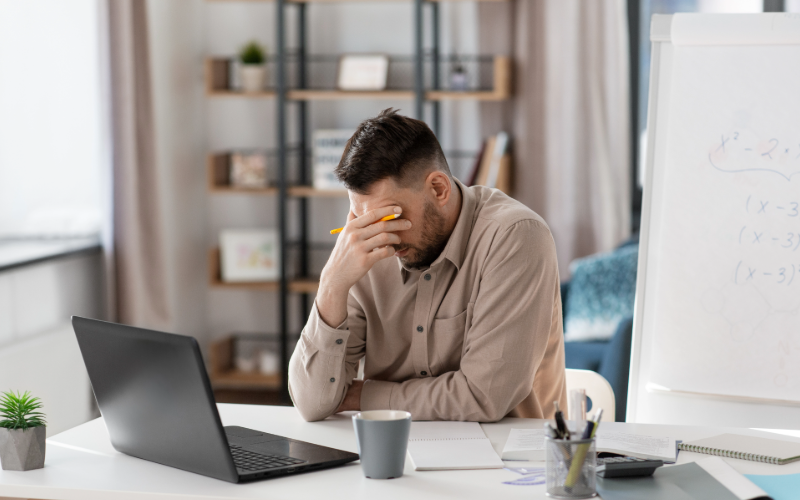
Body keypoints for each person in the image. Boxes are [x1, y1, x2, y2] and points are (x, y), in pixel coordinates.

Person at [288, 108, 567, 422]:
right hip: (397, 452)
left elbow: (483, 397)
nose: (382, 237)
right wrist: (331, 285)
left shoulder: (515, 237)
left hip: (509, 460)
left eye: (389, 218)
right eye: (362, 219)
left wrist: (362, 395)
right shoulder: (365, 247)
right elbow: (313, 403)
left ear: (439, 189)